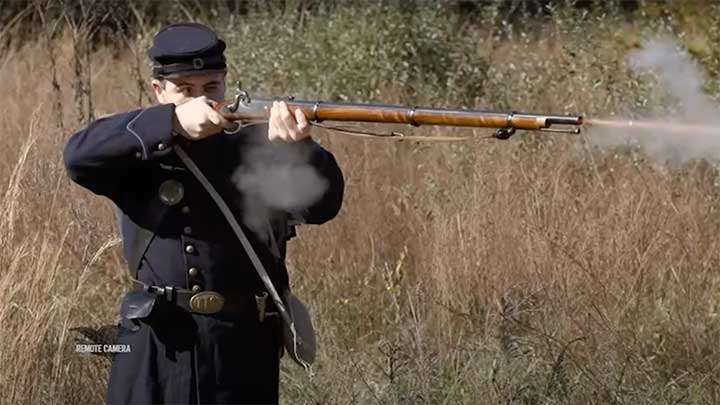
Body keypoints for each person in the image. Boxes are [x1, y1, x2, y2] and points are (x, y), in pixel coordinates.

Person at [63, 22, 344, 404]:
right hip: (158, 347)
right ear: (158, 90)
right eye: (185, 90)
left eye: (211, 88)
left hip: (243, 348)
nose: (202, 100)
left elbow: (323, 206)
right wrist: (172, 122)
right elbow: (78, 157)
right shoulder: (141, 144)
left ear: (226, 84)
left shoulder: (255, 144)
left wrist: (300, 151)